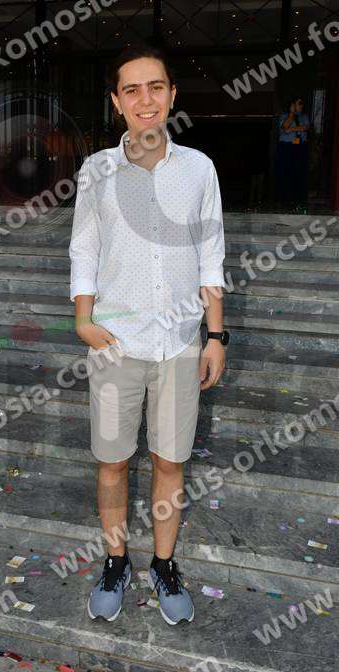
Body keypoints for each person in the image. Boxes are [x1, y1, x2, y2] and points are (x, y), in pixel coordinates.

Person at [69, 45, 229, 626]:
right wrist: (84, 320)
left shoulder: (199, 169)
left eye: (155, 87)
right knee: (113, 462)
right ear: (116, 102)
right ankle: (116, 561)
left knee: (170, 460)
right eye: (131, 90)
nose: (145, 99)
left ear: (172, 95)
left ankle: (163, 565)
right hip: (115, 342)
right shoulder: (97, 170)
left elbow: (211, 254)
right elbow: (84, 247)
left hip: (181, 343)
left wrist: (216, 335)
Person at [274, 96, 310, 209]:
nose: (301, 106)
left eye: (302, 104)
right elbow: (284, 126)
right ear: (293, 105)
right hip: (286, 147)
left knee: (299, 173)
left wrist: (291, 129)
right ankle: (283, 199)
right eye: (299, 103)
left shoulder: (304, 116)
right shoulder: (284, 116)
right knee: (285, 173)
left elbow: (304, 127)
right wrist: (291, 114)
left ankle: (298, 199)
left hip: (300, 147)